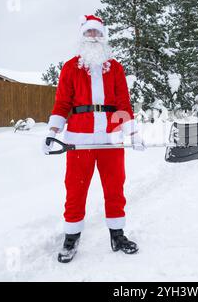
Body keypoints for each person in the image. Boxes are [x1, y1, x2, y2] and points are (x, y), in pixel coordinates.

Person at [42, 15, 146, 263]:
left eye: (97, 33)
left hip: (111, 139)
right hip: (79, 139)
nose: (93, 37)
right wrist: (51, 133)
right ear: (82, 36)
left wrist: (132, 132)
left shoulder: (115, 68)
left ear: (103, 37)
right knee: (75, 189)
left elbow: (123, 103)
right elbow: (62, 103)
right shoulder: (70, 67)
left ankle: (117, 235)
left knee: (114, 187)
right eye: (88, 32)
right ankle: (71, 237)